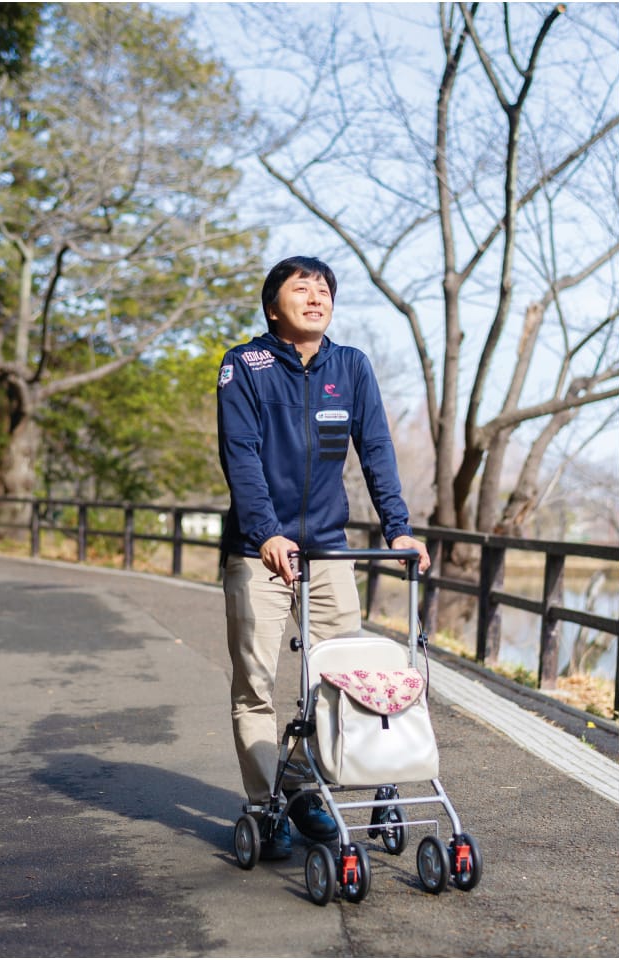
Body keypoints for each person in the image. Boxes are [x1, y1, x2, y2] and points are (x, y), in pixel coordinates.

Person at [217, 255, 430, 860]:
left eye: (325, 291)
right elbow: (240, 453)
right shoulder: (244, 366)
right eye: (301, 288)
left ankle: (305, 787)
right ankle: (265, 803)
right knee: (256, 684)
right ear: (272, 307)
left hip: (329, 550)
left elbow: (377, 449)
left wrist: (398, 530)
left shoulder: (351, 366)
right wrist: (266, 532)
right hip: (258, 553)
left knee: (339, 679)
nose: (316, 298)